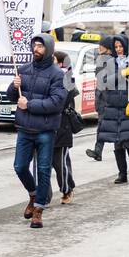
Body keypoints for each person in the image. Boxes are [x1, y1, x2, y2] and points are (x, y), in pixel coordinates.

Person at [4, 34, 67, 227]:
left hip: (45, 130)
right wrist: (14, 88)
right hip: (25, 128)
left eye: (40, 46)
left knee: (43, 170)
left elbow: (57, 102)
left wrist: (29, 104)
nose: (36, 49)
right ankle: (33, 195)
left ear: (47, 48)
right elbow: (13, 97)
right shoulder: (23, 70)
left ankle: (39, 209)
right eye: (34, 46)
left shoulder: (58, 74)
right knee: (20, 167)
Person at [97, 35, 129, 185]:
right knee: (116, 141)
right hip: (112, 106)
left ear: (126, 46)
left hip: (128, 106)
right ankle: (122, 173)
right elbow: (103, 82)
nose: (118, 49)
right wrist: (121, 74)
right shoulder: (110, 62)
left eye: (121, 46)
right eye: (116, 47)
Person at [53, 50, 79, 203]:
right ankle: (45, 195)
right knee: (52, 162)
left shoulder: (68, 79)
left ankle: (66, 190)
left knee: (60, 162)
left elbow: (62, 102)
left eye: (55, 61)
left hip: (62, 126)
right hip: (49, 126)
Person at [86, 37, 113, 162]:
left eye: (101, 45)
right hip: (101, 98)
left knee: (109, 126)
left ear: (107, 47)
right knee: (102, 125)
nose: (99, 47)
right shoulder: (101, 59)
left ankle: (123, 150)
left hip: (109, 98)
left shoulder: (112, 60)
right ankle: (98, 152)